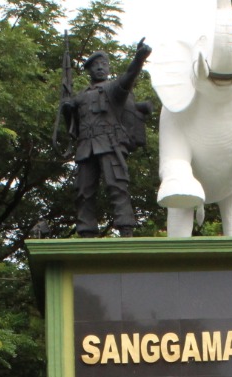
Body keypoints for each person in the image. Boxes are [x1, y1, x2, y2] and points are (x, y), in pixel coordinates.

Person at [60, 42, 153, 238]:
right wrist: (68, 109)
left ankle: (126, 228)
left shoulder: (113, 89)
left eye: (103, 63)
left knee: (117, 185)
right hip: (86, 147)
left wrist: (139, 58)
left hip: (110, 145)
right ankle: (86, 231)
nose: (100, 67)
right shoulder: (80, 97)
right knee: (83, 191)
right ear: (89, 70)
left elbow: (129, 76)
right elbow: (72, 129)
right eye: (95, 65)